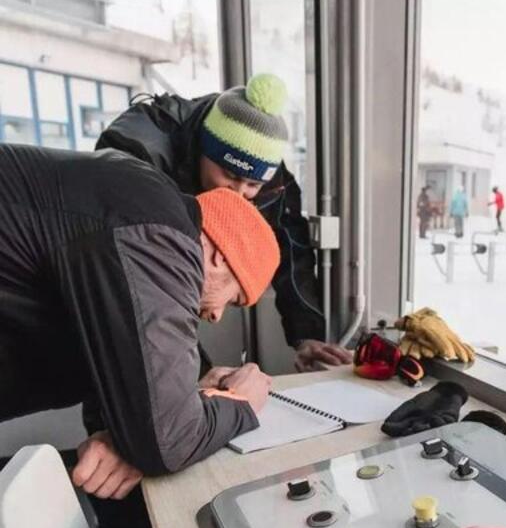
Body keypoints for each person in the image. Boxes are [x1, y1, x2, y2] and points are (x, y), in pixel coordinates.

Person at [0, 142, 280, 499]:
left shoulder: (146, 206)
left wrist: (184, 401)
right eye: (233, 298)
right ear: (220, 258)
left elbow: (142, 380)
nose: (216, 314)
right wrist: (241, 402)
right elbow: (168, 443)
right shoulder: (161, 239)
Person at [97, 73, 351, 373]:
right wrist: (198, 374)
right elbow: (139, 283)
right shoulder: (138, 158)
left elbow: (291, 250)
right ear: (204, 150)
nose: (239, 193)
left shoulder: (262, 162)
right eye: (230, 176)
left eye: (252, 185)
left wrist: (307, 334)